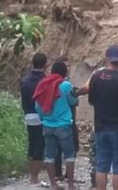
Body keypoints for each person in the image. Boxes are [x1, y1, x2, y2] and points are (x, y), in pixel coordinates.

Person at [88, 45, 118, 190]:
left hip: (100, 126)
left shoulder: (96, 77)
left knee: (101, 165)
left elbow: (91, 100)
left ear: (107, 58)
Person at [34, 61, 79, 190]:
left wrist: (46, 117)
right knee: (69, 155)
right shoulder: (65, 85)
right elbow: (73, 101)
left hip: (47, 125)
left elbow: (38, 106)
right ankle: (70, 184)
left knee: (50, 155)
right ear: (64, 72)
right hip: (63, 125)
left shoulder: (43, 84)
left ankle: (53, 184)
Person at [20, 52, 48, 186]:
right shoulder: (44, 81)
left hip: (28, 115)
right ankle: (34, 178)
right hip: (40, 116)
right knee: (39, 146)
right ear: (45, 65)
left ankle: (32, 175)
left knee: (31, 145)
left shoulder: (25, 80)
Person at [53, 57, 80, 182]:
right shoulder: (66, 84)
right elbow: (73, 101)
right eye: (66, 66)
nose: (68, 69)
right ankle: (69, 177)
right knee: (71, 147)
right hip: (67, 119)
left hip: (52, 120)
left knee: (55, 147)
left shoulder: (48, 84)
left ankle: (56, 173)